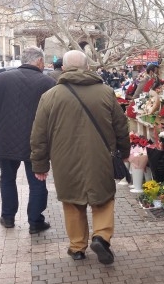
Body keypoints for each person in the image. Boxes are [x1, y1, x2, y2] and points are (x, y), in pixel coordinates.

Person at [31, 50, 130, 263]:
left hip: (64, 160)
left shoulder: (50, 96)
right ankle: (101, 237)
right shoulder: (105, 92)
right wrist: (124, 152)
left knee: (73, 202)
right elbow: (121, 126)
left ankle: (77, 247)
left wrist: (40, 164)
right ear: (87, 67)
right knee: (102, 199)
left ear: (63, 68)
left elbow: (39, 134)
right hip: (101, 157)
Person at [0, 47, 56, 233]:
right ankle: (35, 222)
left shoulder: (2, 78)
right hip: (36, 142)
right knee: (37, 181)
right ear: (39, 61)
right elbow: (53, 115)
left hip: (6, 139)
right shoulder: (48, 82)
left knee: (7, 178)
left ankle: (7, 217)